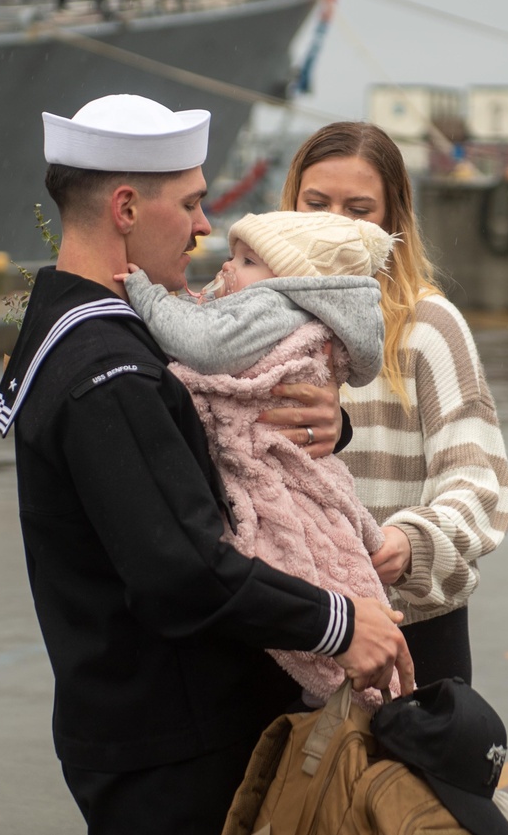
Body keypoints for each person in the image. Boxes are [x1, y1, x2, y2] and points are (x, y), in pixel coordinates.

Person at [0, 94, 414, 835]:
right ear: (125, 207)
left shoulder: (84, 337)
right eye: (187, 203)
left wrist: (334, 429)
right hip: (166, 747)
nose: (206, 225)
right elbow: (178, 569)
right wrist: (337, 618)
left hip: (146, 728)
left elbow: (226, 467)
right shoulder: (112, 372)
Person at [250, 119, 508, 835]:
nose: (337, 221)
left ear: (394, 222)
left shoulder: (426, 328)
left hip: (413, 628)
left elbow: (480, 478)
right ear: (287, 202)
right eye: (319, 199)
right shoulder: (251, 323)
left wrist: (401, 545)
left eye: (361, 207)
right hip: (289, 638)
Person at [119, 209, 401, 703]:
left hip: (267, 465)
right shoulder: (289, 311)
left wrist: (144, 295)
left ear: (295, 281)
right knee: (325, 556)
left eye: (248, 260)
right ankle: (350, 673)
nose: (229, 267)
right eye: (232, 255)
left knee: (290, 559)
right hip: (299, 468)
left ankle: (335, 661)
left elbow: (203, 345)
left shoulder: (272, 307)